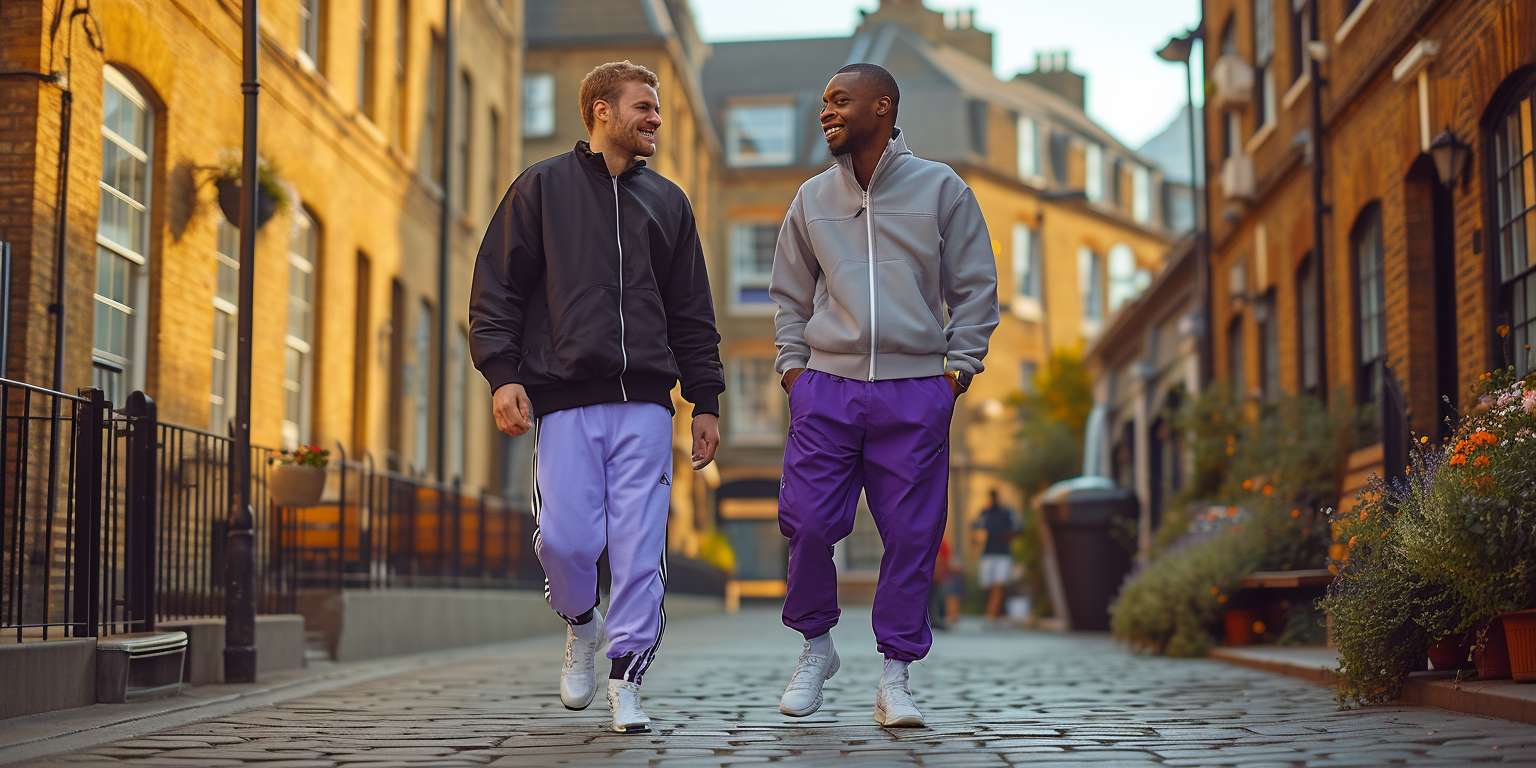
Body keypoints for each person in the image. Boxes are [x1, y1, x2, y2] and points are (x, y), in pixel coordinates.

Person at [468, 60, 723, 735]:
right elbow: (497, 290)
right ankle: (582, 624)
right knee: (564, 540)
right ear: (601, 111)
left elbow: (692, 313)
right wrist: (503, 374)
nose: (656, 120)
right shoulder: (540, 189)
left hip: (645, 405)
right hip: (564, 401)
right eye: (643, 107)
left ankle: (626, 679)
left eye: (659, 109)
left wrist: (706, 401)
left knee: (641, 549)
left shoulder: (668, 203)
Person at [769, 63, 999, 727]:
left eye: (840, 100)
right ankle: (816, 646)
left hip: (915, 391)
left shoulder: (941, 188)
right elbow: (787, 295)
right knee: (808, 523)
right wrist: (795, 374)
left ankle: (896, 675)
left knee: (913, 536)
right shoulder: (811, 198)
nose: (827, 111)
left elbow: (975, 289)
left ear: (883, 106)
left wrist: (957, 373)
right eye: (823, 101)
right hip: (827, 390)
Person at [972, 489, 1019, 623]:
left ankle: (991, 614)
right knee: (988, 584)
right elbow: (976, 528)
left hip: (1002, 552)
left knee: (999, 583)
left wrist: (1008, 536)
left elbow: (1017, 528)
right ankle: (995, 612)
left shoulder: (1006, 513)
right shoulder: (985, 513)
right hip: (987, 552)